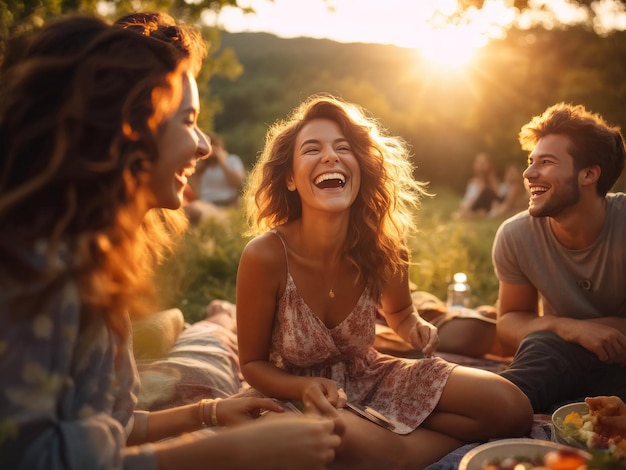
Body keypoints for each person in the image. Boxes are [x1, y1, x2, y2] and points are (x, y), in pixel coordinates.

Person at [0, 16, 342, 469]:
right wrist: (229, 452)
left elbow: (105, 430)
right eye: (188, 120)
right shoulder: (33, 280)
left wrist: (210, 412)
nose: (202, 146)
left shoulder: (88, 264)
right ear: (123, 130)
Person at [235, 94, 533, 469]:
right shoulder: (265, 256)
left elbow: (402, 312)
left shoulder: (382, 245)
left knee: (510, 407)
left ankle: (390, 441)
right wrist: (303, 387)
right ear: (291, 179)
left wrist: (415, 327)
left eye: (343, 148)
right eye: (313, 149)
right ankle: (398, 442)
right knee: (327, 439)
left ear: (360, 168)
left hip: (371, 377)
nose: (330, 156)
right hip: (298, 395)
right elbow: (252, 363)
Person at [492, 102, 626, 414]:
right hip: (560, 355)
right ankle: (489, 407)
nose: (528, 173)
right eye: (531, 161)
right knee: (543, 347)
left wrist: (596, 331)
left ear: (589, 174)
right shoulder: (516, 235)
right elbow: (509, 322)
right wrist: (568, 328)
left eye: (547, 162)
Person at [456, 152, 502, 218]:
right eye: (479, 162)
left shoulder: (493, 181)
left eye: (484, 162)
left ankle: (475, 214)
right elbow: (469, 200)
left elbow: (499, 197)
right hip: (477, 206)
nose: (482, 164)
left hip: (491, 208)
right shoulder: (472, 183)